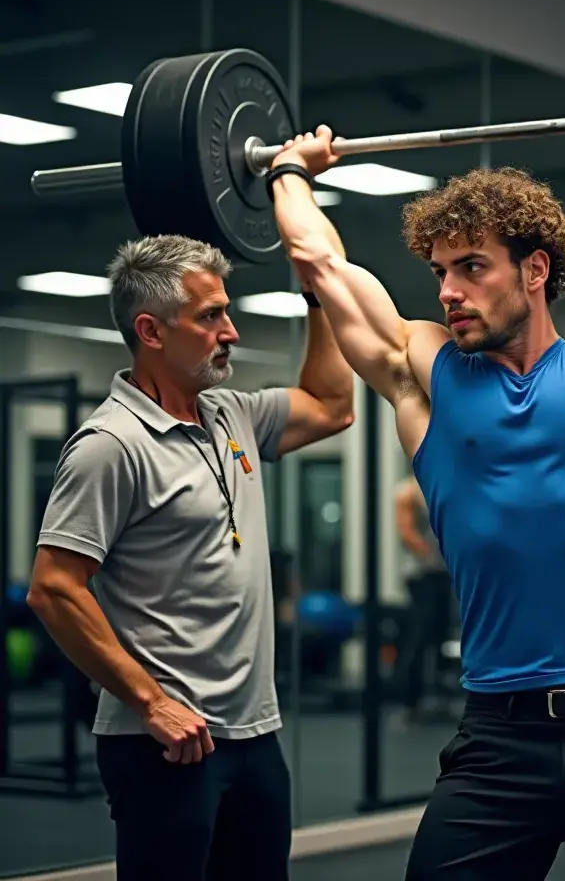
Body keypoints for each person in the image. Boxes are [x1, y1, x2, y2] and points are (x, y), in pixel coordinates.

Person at [265, 87, 565, 880]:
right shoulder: (425, 375)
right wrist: (289, 171)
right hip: (500, 739)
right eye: (440, 271)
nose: (448, 290)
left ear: (534, 270)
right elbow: (321, 263)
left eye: (471, 267)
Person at [26, 234, 355, 881]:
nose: (230, 330)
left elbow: (333, 407)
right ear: (151, 330)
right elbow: (54, 588)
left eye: (225, 312)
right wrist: (150, 703)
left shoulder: (229, 413)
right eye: (210, 317)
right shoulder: (110, 446)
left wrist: (315, 297)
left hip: (254, 733)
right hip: (166, 741)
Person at [394, 474, 455, 725]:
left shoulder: (443, 485)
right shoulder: (408, 491)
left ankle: (438, 700)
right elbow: (407, 534)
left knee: (440, 637)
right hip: (423, 576)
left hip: (441, 575)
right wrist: (435, 557)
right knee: (419, 638)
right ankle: (410, 703)